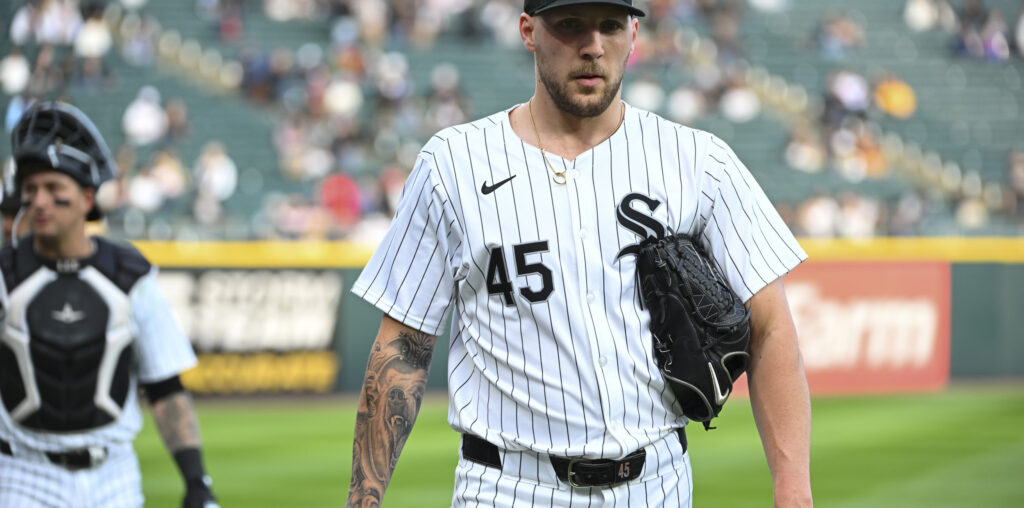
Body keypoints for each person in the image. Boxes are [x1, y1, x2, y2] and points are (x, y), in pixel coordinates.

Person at [346, 1, 813, 506]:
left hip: (658, 484)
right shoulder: (453, 164)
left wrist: (793, 491)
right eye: (569, 25)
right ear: (528, 31)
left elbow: (770, 325)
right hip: (508, 486)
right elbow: (403, 349)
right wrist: (363, 501)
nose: (592, 46)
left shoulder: (697, 160)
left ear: (634, 34)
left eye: (610, 26)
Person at [0, 101, 218, 508]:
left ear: (86, 198)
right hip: (21, 474)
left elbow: (166, 387)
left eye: (53, 189)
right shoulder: (5, 274)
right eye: (31, 190)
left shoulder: (130, 275)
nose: (40, 201)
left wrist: (196, 482)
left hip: (113, 476)